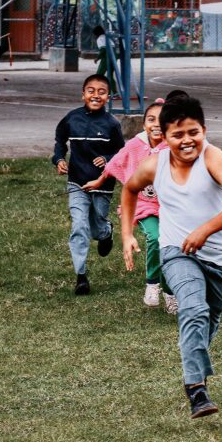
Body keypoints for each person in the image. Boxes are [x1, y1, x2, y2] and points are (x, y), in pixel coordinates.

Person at [120, 95, 222, 419]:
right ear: (163, 138)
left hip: (219, 258)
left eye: (193, 132)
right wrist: (126, 234)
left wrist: (204, 230)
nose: (186, 140)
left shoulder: (214, 158)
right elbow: (129, 189)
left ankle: (195, 370)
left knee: (209, 319)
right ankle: (196, 388)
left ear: (204, 130)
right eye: (177, 135)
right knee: (193, 309)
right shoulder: (154, 165)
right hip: (176, 251)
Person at [81, 102, 177, 314]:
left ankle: (170, 293)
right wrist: (99, 181)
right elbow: (116, 162)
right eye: (151, 119)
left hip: (170, 206)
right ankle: (152, 283)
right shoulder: (136, 145)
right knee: (154, 237)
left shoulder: (173, 147)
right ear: (144, 123)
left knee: (170, 246)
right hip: (143, 204)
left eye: (162, 120)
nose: (156, 124)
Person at [52, 74, 126, 295]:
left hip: (102, 184)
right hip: (77, 182)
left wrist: (107, 158)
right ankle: (81, 276)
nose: (96, 95)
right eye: (91, 90)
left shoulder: (112, 124)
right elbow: (59, 141)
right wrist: (59, 159)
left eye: (101, 91)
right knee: (79, 226)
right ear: (83, 94)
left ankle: (105, 232)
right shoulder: (71, 119)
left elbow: (121, 152)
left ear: (108, 97)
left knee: (96, 224)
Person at [92, 26, 117, 97]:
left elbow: (103, 50)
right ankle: (115, 93)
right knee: (110, 76)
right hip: (114, 57)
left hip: (106, 57)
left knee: (99, 75)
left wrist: (97, 58)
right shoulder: (107, 38)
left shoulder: (100, 39)